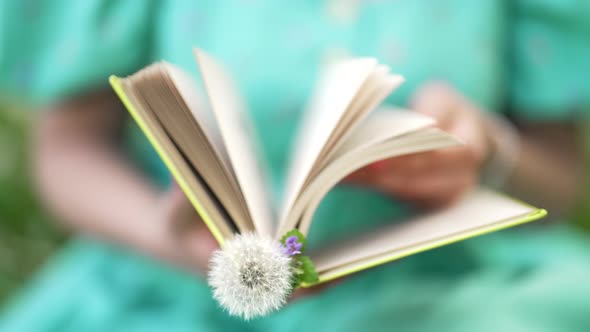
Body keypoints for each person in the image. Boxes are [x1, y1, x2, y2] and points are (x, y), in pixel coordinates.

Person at [1, 1, 589, 331]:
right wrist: (164, 228)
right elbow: (67, 149)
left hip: (450, 295)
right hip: (168, 300)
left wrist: (487, 153)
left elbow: (561, 180)